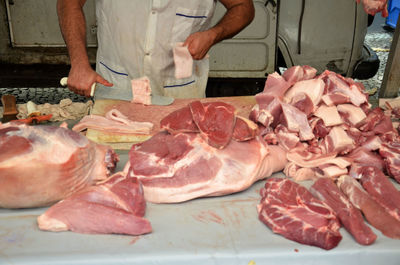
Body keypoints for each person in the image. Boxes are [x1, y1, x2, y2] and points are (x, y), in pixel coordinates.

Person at [57, 0, 255, 100]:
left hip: (181, 97)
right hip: (117, 90)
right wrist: (79, 63)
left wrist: (213, 35)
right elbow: (69, 3)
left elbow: (243, 7)